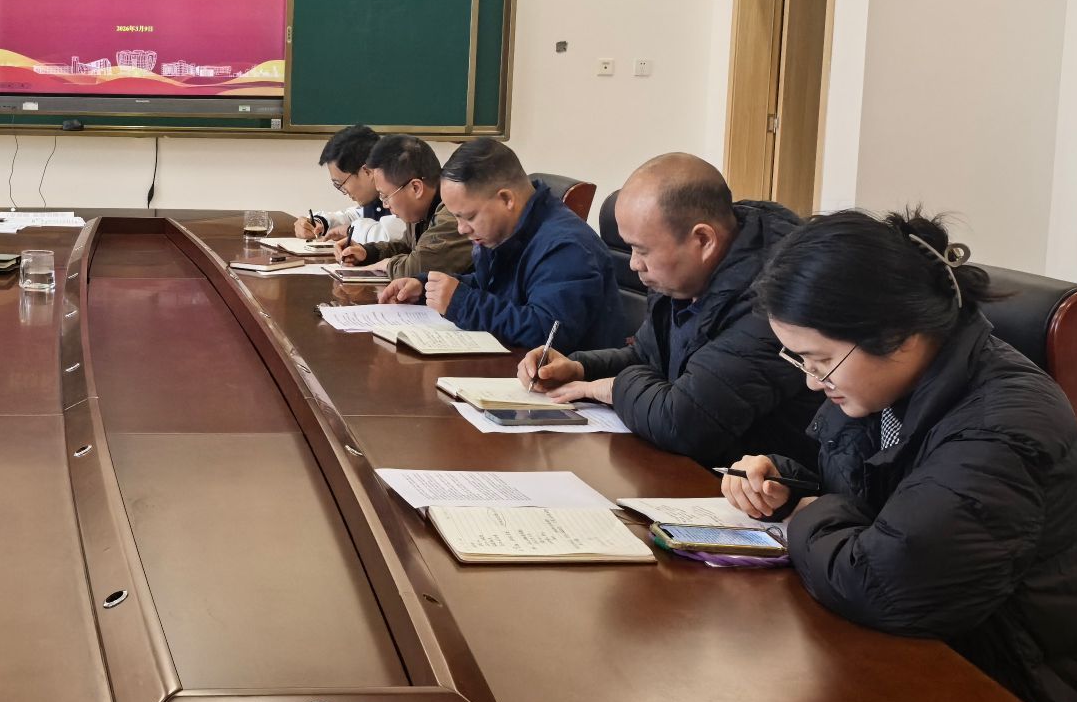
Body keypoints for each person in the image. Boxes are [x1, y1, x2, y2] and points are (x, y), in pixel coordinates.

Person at [719, 209, 1077, 702]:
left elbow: (884, 585)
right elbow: (885, 493)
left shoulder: (1003, 429)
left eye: (821, 361)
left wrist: (810, 514)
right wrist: (790, 484)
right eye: (803, 361)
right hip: (926, 662)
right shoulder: (886, 389)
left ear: (898, 335)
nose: (813, 382)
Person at [515, 153, 816, 461]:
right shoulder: (685, 278)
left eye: (642, 250)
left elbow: (683, 423)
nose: (633, 264)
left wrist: (610, 389)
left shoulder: (776, 300)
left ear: (703, 240)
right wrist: (580, 368)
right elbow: (649, 356)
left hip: (751, 480)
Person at [379, 138, 619, 352]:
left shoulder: (567, 248)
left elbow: (548, 334)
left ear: (506, 199)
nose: (461, 229)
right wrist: (426, 288)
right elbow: (493, 287)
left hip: (571, 383)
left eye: (468, 217)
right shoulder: (508, 231)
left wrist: (462, 303)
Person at [339, 133, 473, 280]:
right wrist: (368, 253)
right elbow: (407, 247)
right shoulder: (421, 210)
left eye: (385, 196)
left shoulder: (454, 211)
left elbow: (419, 267)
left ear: (415, 188)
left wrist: (387, 265)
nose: (385, 204)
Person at [291, 124, 404, 247]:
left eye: (340, 184)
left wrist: (349, 231)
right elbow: (352, 216)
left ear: (367, 172)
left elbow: (394, 236)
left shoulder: (403, 190)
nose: (344, 191)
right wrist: (320, 223)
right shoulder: (376, 199)